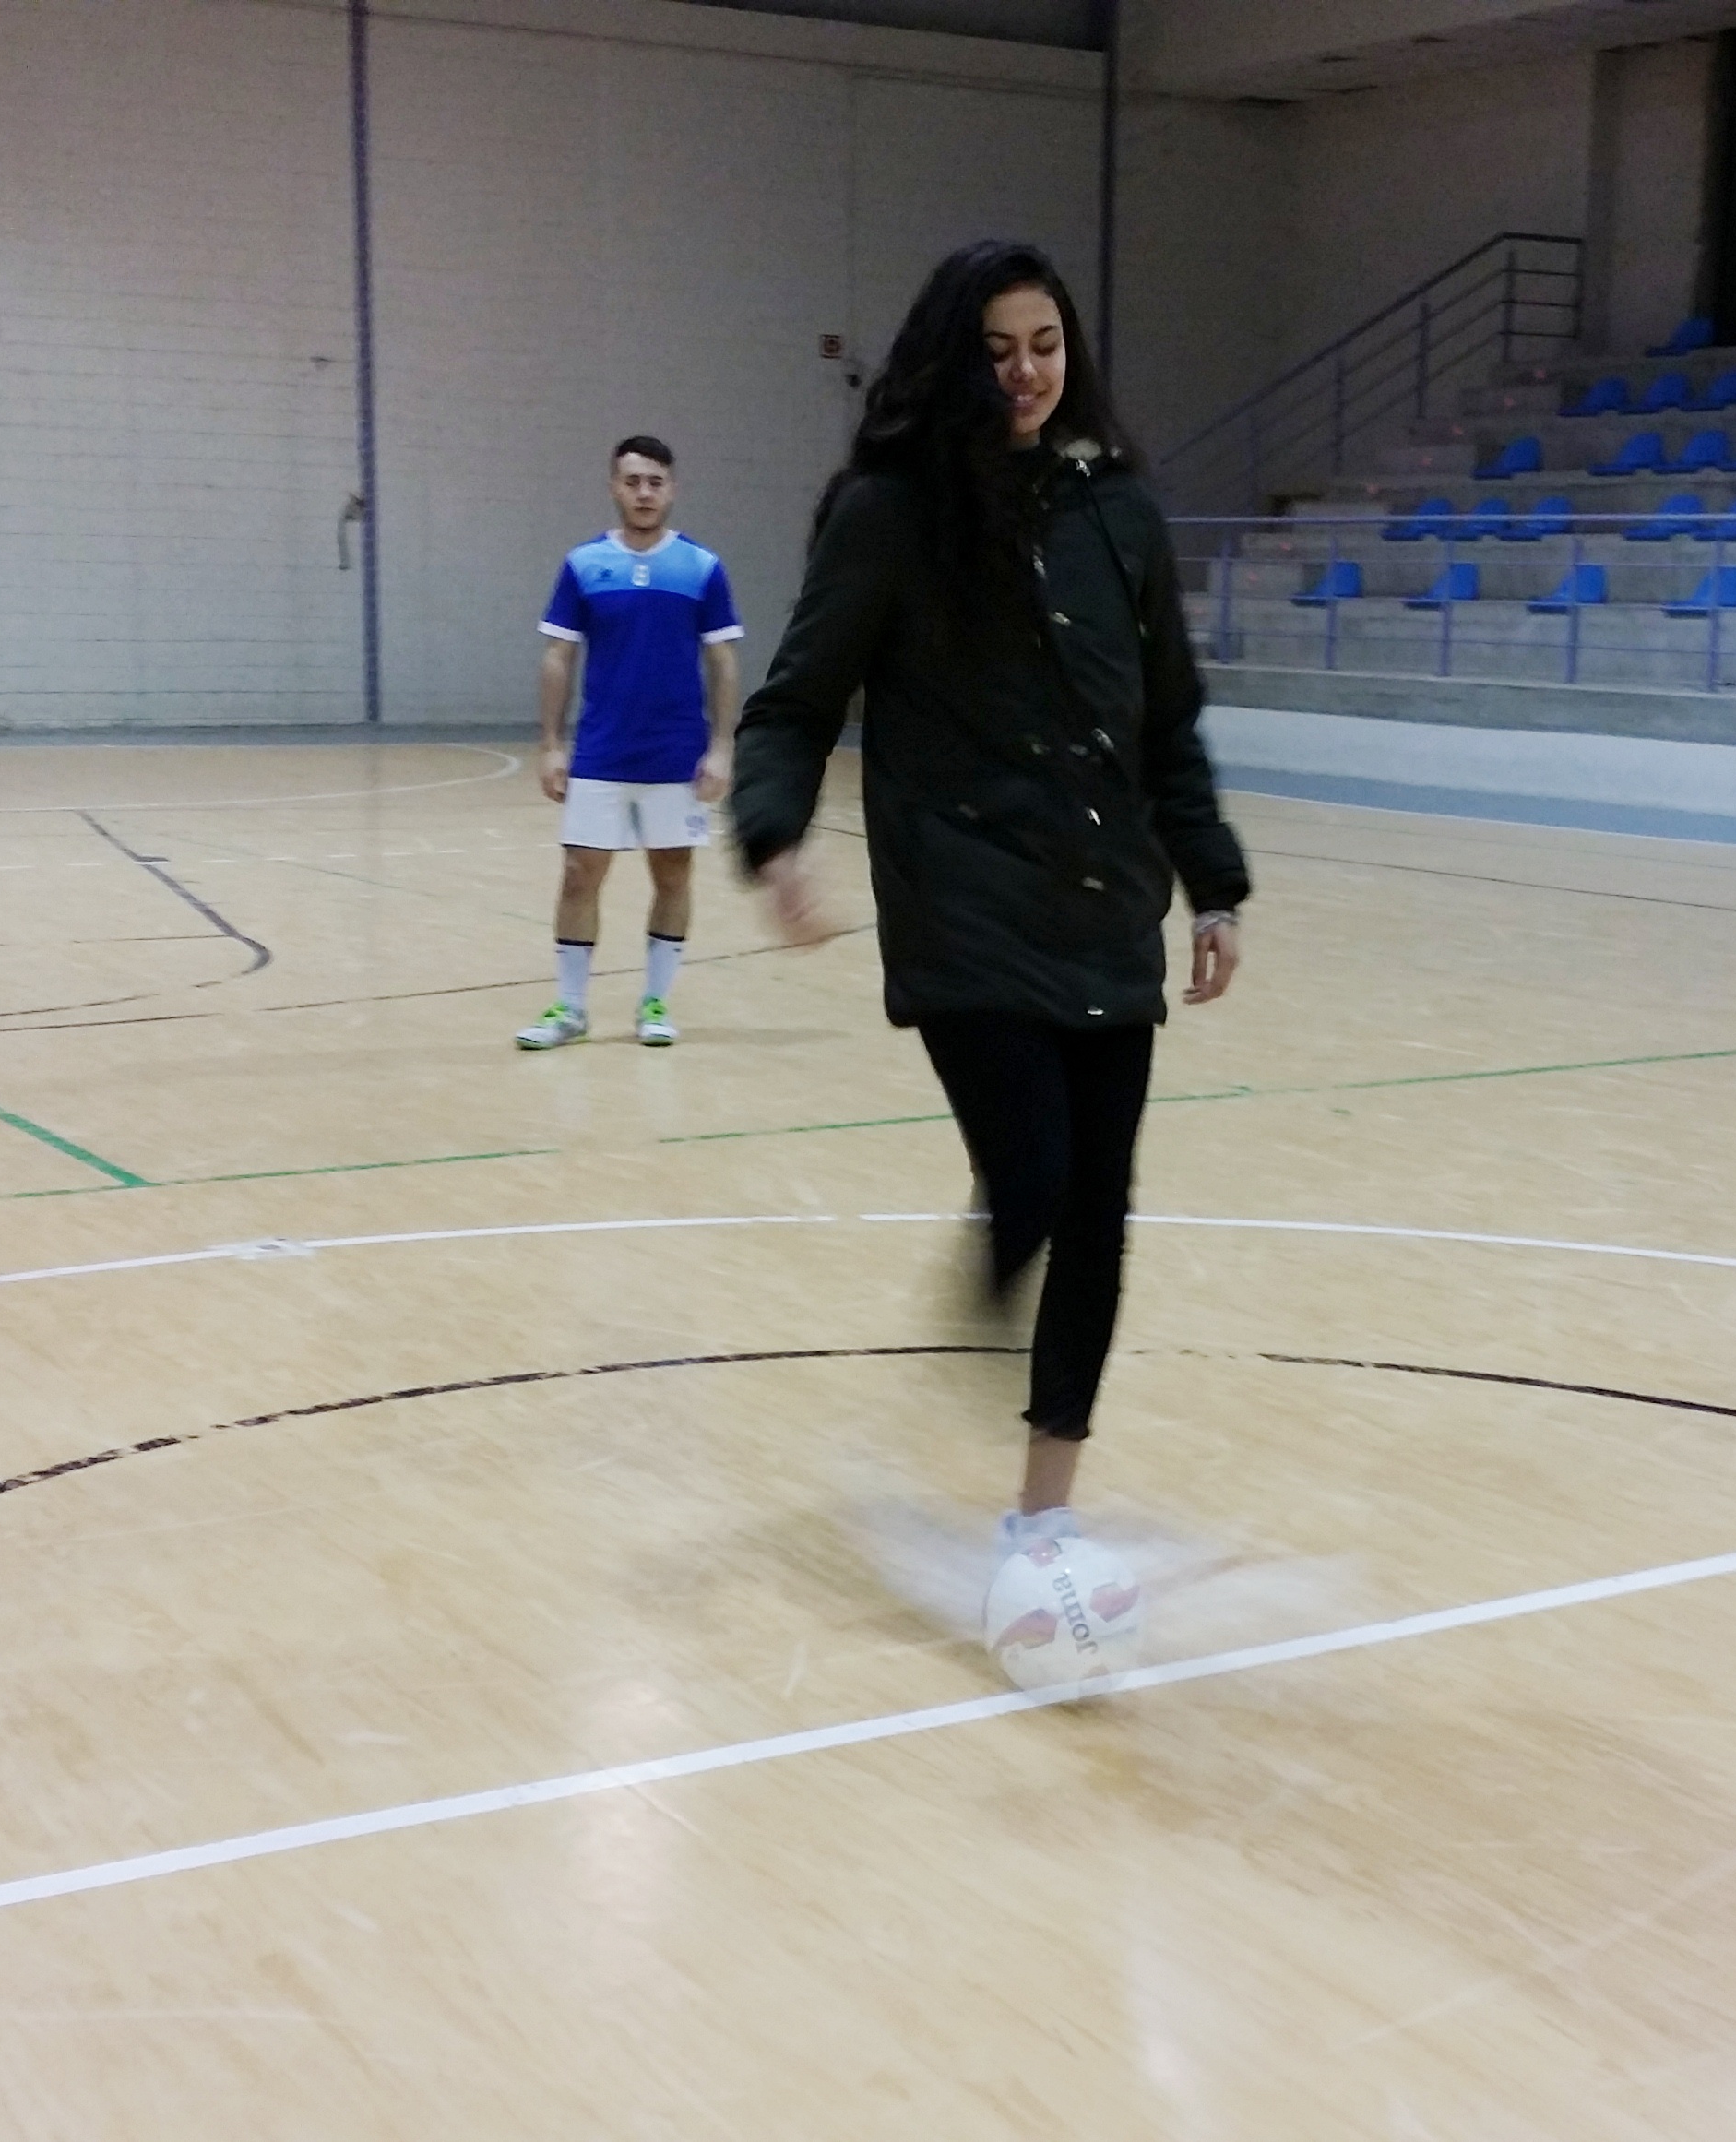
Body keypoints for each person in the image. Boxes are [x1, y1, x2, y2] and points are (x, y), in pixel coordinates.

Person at [730, 239, 1247, 1582]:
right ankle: (995, 1276)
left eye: (1046, 345)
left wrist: (1213, 882)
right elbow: (795, 700)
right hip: (962, 898)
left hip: (1105, 903)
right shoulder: (892, 511)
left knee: (1100, 1212)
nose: (1025, 372)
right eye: (998, 350)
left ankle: (1044, 1513)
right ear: (953, 359)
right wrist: (776, 840)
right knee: (1036, 1176)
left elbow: (1167, 721)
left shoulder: (1117, 509)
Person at [516, 435, 743, 1051]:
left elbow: (723, 662)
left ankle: (655, 1001)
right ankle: (570, 1009)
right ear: (615, 487)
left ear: (672, 490)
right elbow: (558, 656)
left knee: (672, 875)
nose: (644, 493)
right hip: (601, 753)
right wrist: (551, 744)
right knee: (578, 875)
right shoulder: (584, 564)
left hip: (676, 755)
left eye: (655, 482)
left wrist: (722, 747)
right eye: (633, 481)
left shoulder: (700, 567)